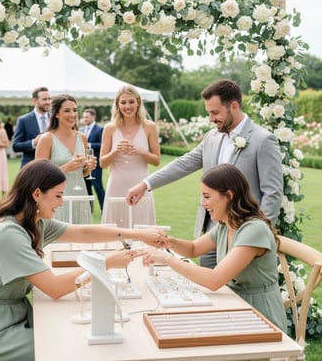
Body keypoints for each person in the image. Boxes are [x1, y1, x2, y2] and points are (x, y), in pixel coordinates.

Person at [0, 159, 167, 361]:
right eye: (58, 195)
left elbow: (84, 233)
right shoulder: (9, 233)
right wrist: (107, 263)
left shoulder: (35, 223)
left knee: (75, 333)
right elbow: (55, 288)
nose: (62, 202)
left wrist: (138, 235)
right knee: (73, 345)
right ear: (37, 194)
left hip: (15, 318)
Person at [127, 79, 283, 268]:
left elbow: (272, 193)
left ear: (234, 106)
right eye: (209, 113)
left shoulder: (263, 140)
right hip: (211, 232)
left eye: (215, 113)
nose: (211, 118)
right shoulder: (212, 137)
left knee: (235, 294)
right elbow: (183, 163)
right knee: (208, 289)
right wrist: (145, 184)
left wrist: (257, 235)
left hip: (243, 235)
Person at [141, 163, 287, 332]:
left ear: (229, 195)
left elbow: (214, 280)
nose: (203, 203)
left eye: (207, 196)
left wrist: (167, 259)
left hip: (261, 316)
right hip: (233, 304)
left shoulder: (254, 230)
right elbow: (194, 249)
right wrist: (170, 242)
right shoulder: (227, 224)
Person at [100, 85, 160, 228]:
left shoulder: (149, 127)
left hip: (140, 184)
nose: (128, 106)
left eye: (131, 102)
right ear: (118, 104)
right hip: (116, 185)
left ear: (138, 102)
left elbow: (156, 160)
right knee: (115, 230)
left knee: (141, 227)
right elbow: (102, 163)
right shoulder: (110, 128)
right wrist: (115, 151)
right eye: (123, 102)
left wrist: (142, 152)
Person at [35, 94, 92, 224]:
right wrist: (66, 167)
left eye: (75, 110)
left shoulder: (82, 138)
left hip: (80, 195)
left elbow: (82, 173)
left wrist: (87, 168)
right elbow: (38, 176)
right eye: (67, 111)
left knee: (82, 239)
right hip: (56, 198)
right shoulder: (47, 139)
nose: (72, 114)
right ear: (56, 114)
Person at [12, 86, 51, 167]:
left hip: (52, 167)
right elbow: (16, 146)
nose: (48, 102)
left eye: (49, 99)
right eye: (44, 99)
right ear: (35, 101)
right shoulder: (23, 120)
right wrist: (33, 142)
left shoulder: (55, 118)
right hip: (30, 167)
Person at [81, 108, 106, 213]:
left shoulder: (99, 129)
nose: (84, 119)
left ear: (93, 117)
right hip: (85, 163)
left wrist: (89, 145)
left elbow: (103, 145)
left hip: (95, 163)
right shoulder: (81, 130)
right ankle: (89, 209)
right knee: (86, 188)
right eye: (84, 117)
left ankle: (104, 208)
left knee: (97, 186)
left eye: (87, 117)